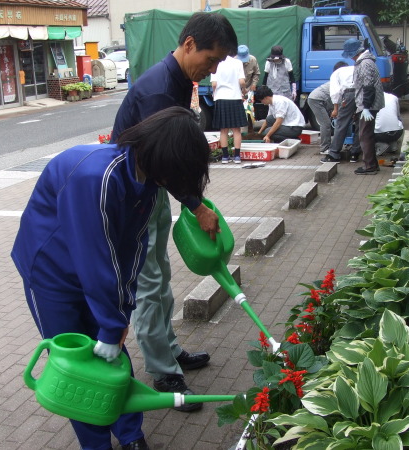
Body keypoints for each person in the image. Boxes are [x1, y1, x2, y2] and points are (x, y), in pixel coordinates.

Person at [11, 107, 211, 450]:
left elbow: (131, 252)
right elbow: (94, 257)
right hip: (51, 272)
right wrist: (108, 324)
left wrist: (120, 316)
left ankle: (131, 435)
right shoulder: (97, 177)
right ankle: (96, 444)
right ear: (164, 157)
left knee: (113, 354)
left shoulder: (147, 183)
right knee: (78, 367)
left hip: (92, 266)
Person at [110, 12, 238, 412]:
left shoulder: (180, 79)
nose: (213, 69)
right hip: (134, 195)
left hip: (153, 191)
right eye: (212, 60)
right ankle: (163, 371)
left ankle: (170, 349)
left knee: (160, 274)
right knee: (149, 284)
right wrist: (197, 206)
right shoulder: (157, 91)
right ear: (189, 45)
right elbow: (164, 161)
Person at [345, 38, 385, 175]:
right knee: (366, 134)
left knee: (365, 135)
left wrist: (366, 106)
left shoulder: (365, 63)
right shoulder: (366, 62)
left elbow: (368, 86)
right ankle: (371, 164)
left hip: (369, 105)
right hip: (369, 104)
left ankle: (370, 166)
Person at [321, 62, 362, 163]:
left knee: (341, 123)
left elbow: (335, 92)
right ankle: (355, 154)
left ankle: (334, 154)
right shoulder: (355, 67)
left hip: (349, 94)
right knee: (360, 123)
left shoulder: (336, 73)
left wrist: (336, 109)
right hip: (363, 93)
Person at [211, 52, 247, 164]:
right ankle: (237, 156)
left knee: (223, 130)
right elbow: (242, 81)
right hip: (235, 97)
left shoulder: (216, 62)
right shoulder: (237, 63)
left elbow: (214, 84)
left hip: (221, 98)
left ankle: (225, 157)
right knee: (236, 130)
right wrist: (244, 90)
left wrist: (215, 93)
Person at [307, 81, 334, 155]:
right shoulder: (342, 83)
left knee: (326, 123)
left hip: (320, 99)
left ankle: (328, 146)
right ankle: (324, 148)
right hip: (316, 100)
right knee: (326, 124)